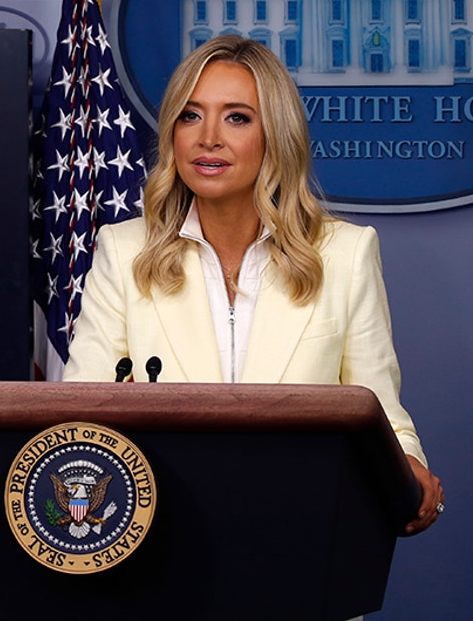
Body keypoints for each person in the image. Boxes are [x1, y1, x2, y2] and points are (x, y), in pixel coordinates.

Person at [61, 35, 444, 534]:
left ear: (275, 134)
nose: (208, 138)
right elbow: (79, 417)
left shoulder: (346, 253)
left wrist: (409, 471)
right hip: (162, 547)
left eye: (237, 117)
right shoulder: (122, 250)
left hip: (301, 539)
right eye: (190, 115)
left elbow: (382, 414)